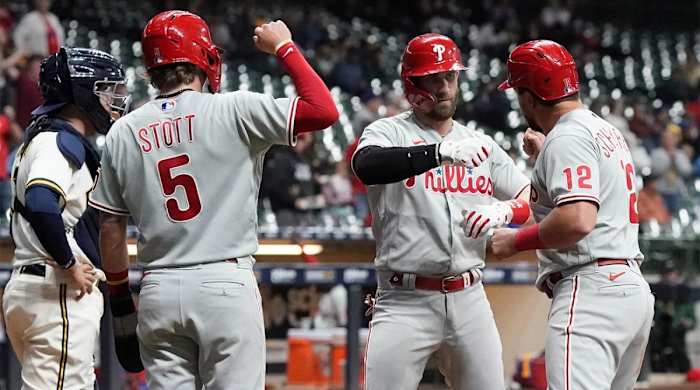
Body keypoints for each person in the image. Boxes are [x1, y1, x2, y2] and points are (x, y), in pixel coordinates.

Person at [89, 11, 338, 390]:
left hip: (159, 287)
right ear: (203, 58)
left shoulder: (124, 130)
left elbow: (110, 226)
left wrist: (121, 301)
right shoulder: (234, 109)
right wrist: (285, 47)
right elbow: (323, 109)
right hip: (224, 282)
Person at [352, 33, 531, 390]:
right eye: (435, 78)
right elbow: (365, 165)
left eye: (451, 76)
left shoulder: (480, 143)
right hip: (404, 300)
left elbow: (529, 193)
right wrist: (437, 154)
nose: (445, 86)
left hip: (469, 297)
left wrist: (507, 210)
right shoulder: (388, 131)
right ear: (413, 84)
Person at [481, 40, 655, 389]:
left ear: (529, 96)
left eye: (519, 92)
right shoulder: (602, 129)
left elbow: (577, 219)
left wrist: (515, 241)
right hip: (628, 287)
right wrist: (546, 156)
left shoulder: (567, 138)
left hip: (591, 291)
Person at [2, 47, 128, 389]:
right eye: (104, 90)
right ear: (82, 92)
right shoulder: (57, 141)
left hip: (42, 287)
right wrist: (70, 263)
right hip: (54, 290)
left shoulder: (48, 138)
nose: (112, 100)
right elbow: (42, 202)